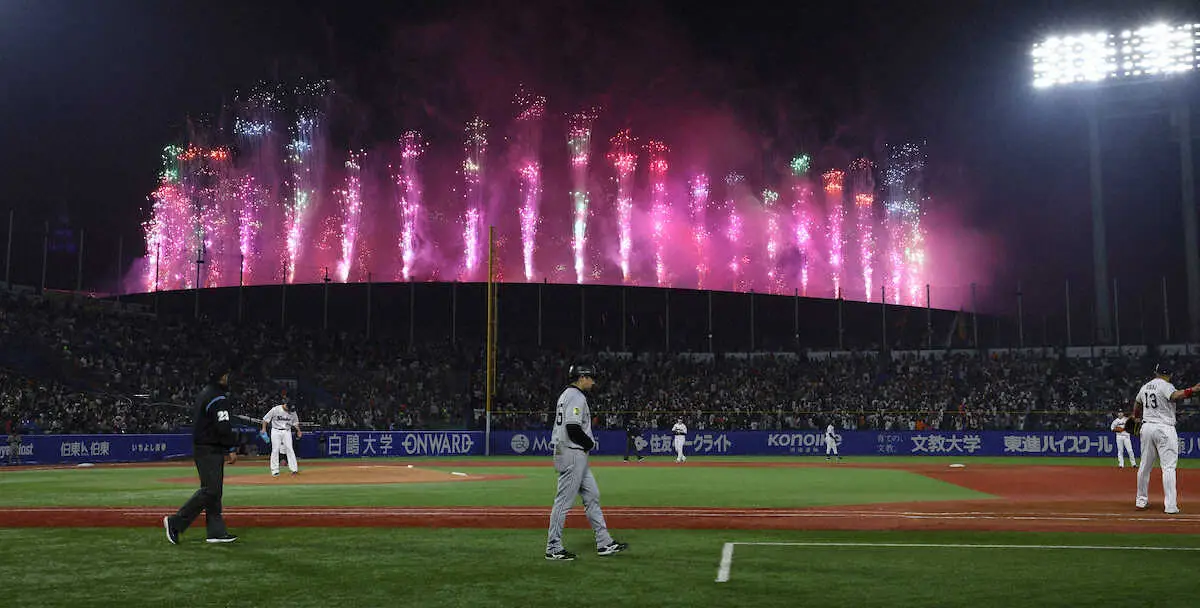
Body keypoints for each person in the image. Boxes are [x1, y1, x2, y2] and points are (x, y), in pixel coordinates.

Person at [545, 364, 627, 561]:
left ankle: (604, 542)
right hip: (572, 452)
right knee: (563, 502)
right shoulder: (575, 396)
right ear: (581, 377)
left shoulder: (567, 394)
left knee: (593, 496)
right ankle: (553, 547)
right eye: (590, 377)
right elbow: (572, 427)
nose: (593, 381)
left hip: (573, 453)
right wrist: (589, 442)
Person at [163, 365, 241, 544]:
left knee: (214, 491)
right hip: (210, 448)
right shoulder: (218, 397)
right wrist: (231, 448)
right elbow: (223, 427)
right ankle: (176, 522)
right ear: (222, 377)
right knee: (211, 490)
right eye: (226, 375)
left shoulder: (205, 393)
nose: (228, 378)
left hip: (203, 447)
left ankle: (216, 531)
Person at [1132, 363, 1200, 514]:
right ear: (1170, 374)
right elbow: (1176, 395)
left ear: (1155, 372)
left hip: (1147, 427)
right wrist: (1193, 390)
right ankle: (1170, 506)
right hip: (1164, 428)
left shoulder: (1145, 387)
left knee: (1144, 466)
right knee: (1168, 468)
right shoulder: (1166, 385)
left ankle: (1140, 501)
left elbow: (1137, 403)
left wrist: (1136, 417)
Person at [261, 399, 302, 477]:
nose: (290, 410)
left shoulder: (293, 411)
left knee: (290, 448)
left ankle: (294, 470)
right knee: (275, 450)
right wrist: (263, 429)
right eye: (289, 408)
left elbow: (295, 422)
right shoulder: (275, 409)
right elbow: (265, 419)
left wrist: (299, 431)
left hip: (287, 431)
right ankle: (275, 470)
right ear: (286, 405)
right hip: (276, 431)